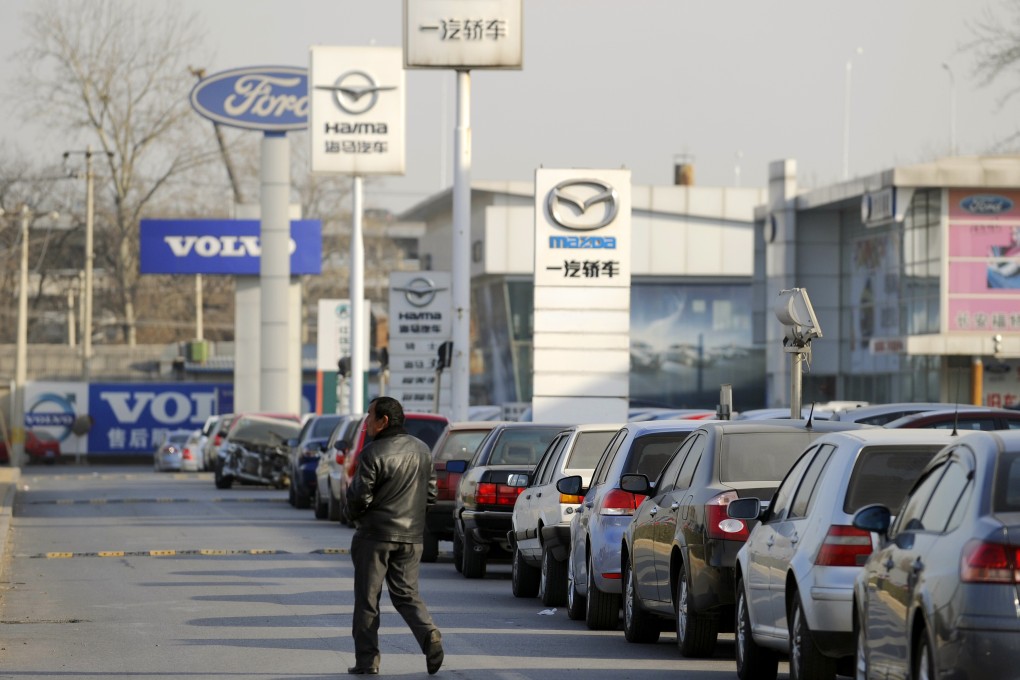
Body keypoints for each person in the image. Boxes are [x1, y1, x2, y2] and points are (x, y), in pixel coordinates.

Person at [344, 396, 444, 676]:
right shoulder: (423, 450)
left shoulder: (373, 453)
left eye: (369, 416)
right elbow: (431, 495)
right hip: (412, 537)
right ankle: (429, 635)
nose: (366, 422)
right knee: (407, 595)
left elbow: (359, 498)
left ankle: (367, 661)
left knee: (367, 600)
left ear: (383, 421)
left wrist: (353, 515)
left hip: (375, 536)